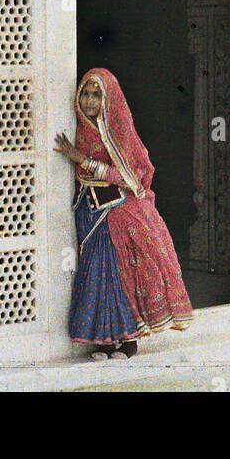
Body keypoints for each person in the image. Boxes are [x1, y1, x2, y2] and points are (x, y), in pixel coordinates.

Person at [54, 66, 194, 360]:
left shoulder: (118, 130)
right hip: (88, 210)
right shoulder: (76, 126)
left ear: (108, 100)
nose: (90, 101)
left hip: (114, 210)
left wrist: (84, 161)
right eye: (86, 94)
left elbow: (130, 175)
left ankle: (129, 341)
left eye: (96, 96)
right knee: (96, 275)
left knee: (119, 276)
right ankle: (105, 342)